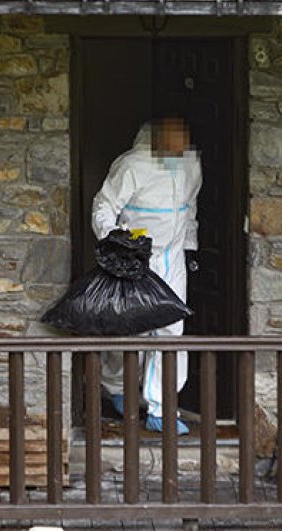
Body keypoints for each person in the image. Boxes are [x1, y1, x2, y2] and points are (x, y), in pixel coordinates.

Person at [92, 116, 201, 434]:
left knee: (170, 330)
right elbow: (104, 205)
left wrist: (191, 247)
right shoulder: (131, 165)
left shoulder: (191, 166)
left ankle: (161, 407)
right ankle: (117, 388)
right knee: (130, 327)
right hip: (136, 256)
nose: (179, 148)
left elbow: (189, 207)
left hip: (172, 258)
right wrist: (113, 238)